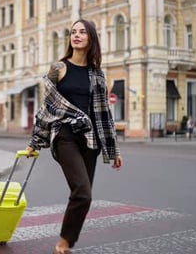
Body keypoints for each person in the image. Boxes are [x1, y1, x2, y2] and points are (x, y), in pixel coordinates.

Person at [25, 19, 123, 254]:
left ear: (91, 38)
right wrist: (35, 143)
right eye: (73, 32)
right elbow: (47, 108)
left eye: (82, 32)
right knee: (83, 191)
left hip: (90, 141)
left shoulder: (97, 74)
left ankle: (66, 241)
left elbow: (103, 114)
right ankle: (64, 243)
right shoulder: (58, 68)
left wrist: (114, 150)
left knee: (82, 197)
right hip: (64, 136)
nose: (76, 35)